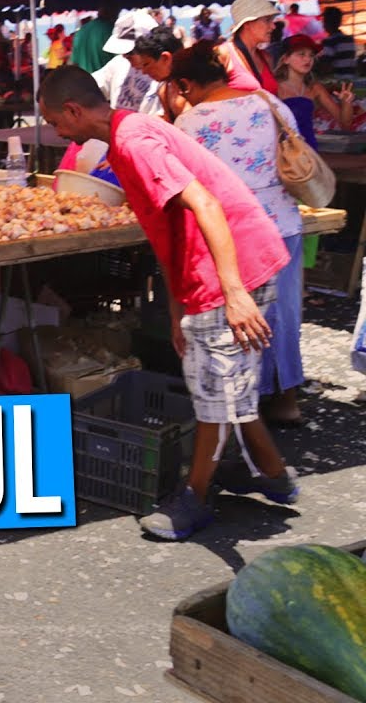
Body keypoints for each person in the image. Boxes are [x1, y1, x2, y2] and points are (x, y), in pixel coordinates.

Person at [39, 65, 297, 540]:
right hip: (222, 263)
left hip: (229, 264)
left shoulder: (135, 141)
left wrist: (234, 293)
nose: (56, 132)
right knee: (223, 380)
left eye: (55, 121)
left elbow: (206, 205)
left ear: (73, 110)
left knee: (216, 391)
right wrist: (179, 309)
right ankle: (275, 476)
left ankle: (193, 499)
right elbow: (168, 232)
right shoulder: (126, 136)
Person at [171, 42, 308, 429]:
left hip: (233, 232)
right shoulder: (269, 102)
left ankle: (246, 402)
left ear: (186, 83)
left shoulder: (191, 123)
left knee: (236, 318)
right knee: (282, 314)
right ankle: (286, 398)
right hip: (283, 223)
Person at [277, 34, 355, 138]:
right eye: (301, 54)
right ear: (286, 59)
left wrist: (346, 103)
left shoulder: (315, 88)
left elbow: (345, 125)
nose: (308, 59)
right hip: (285, 150)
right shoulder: (275, 87)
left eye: (311, 55)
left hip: (310, 149)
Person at [93, 11, 162, 116]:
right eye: (123, 52)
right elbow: (91, 84)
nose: (125, 55)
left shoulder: (162, 74)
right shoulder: (119, 63)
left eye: (130, 52)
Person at [218, 0, 280, 94]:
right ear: (247, 24)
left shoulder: (266, 58)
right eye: (267, 20)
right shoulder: (224, 55)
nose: (273, 26)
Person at [129, 26, 188, 123]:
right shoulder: (164, 91)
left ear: (165, 58)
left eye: (147, 64)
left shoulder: (198, 82)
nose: (144, 71)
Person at [71, 4, 119, 73]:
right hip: (105, 80)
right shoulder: (111, 30)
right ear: (113, 13)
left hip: (84, 79)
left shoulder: (80, 31)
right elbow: (121, 61)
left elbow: (75, 62)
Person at [320, 7, 356, 79]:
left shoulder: (329, 41)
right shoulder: (349, 39)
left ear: (327, 23)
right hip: (351, 79)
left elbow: (326, 65)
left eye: (324, 21)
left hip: (337, 81)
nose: (323, 24)